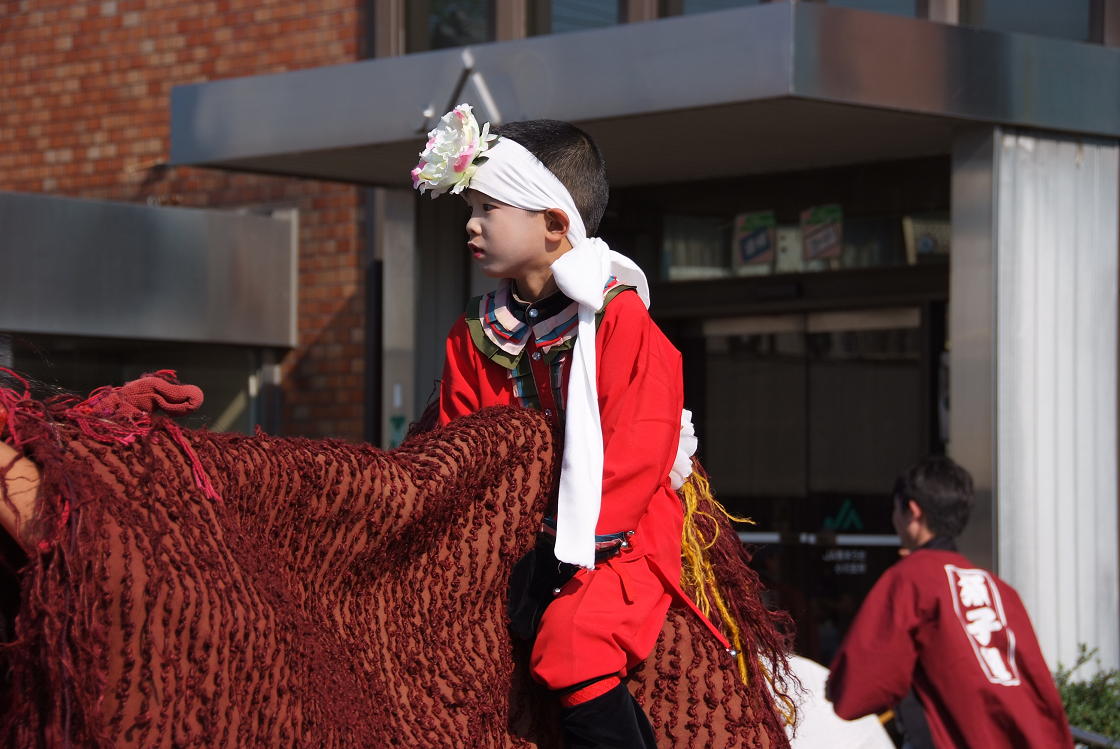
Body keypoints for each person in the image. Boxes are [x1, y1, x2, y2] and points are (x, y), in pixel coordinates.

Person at [413, 105, 741, 747]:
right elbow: (460, 446)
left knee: (572, 640)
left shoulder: (620, 320)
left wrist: (571, 551)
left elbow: (638, 449)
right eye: (469, 211)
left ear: (556, 224)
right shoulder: (476, 333)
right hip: (515, 531)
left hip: (623, 528)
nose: (471, 226)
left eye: (488, 209)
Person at [825, 456, 1074, 748]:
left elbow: (855, 692)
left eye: (895, 508)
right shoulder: (1001, 590)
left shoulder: (910, 579)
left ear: (912, 511)